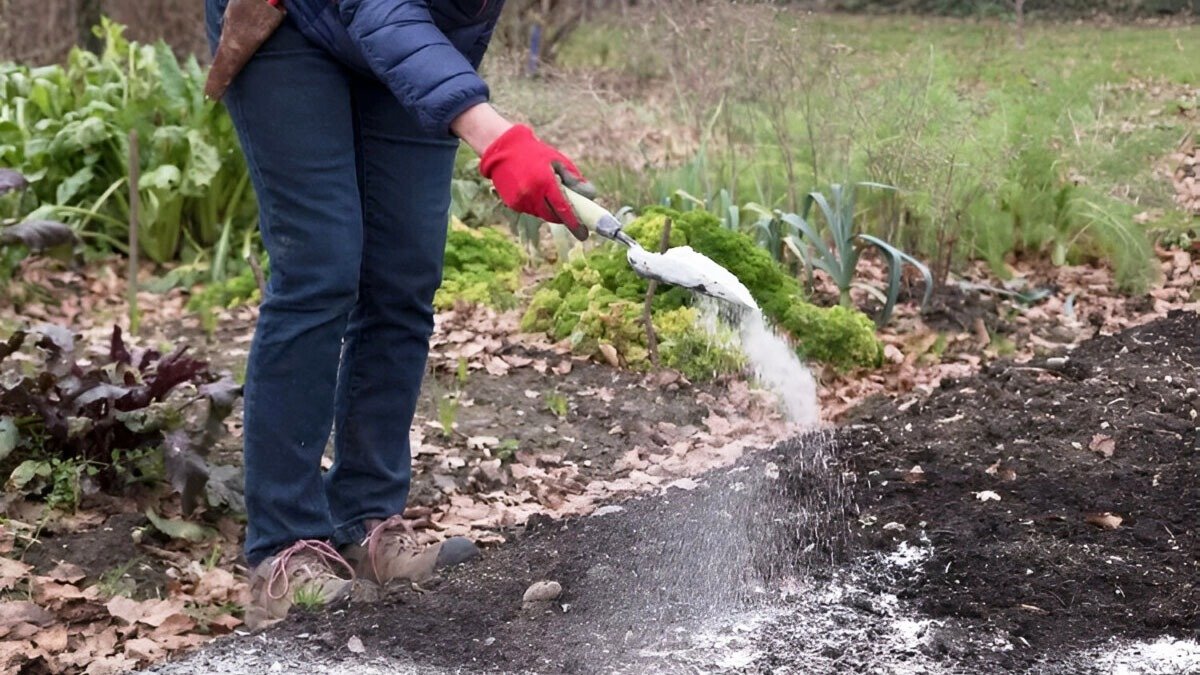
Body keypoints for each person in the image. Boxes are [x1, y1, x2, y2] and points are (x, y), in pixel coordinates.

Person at [203, 0, 594, 629]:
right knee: (321, 267)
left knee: (403, 273)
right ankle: (283, 547)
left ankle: (365, 519)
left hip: (411, 35)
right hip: (291, 19)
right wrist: (494, 136)